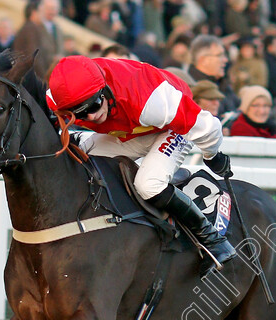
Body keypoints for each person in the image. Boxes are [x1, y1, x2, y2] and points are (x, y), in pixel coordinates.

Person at [46, 55, 236, 275]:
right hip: (133, 126)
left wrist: (213, 155)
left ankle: (212, 240)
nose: (93, 115)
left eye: (95, 104)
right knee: (81, 157)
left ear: (105, 90)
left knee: (149, 184)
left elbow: (209, 126)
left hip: (170, 126)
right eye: (80, 113)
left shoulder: (152, 102)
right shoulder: (56, 100)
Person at [186, 35, 239, 115]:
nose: (225, 60)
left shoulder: (223, 83)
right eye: (219, 55)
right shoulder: (191, 89)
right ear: (203, 60)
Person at [13, 0, 59, 79]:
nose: (43, 15)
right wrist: (45, 77)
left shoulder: (31, 27)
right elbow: (35, 56)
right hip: (29, 77)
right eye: (41, 11)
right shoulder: (30, 29)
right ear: (34, 13)